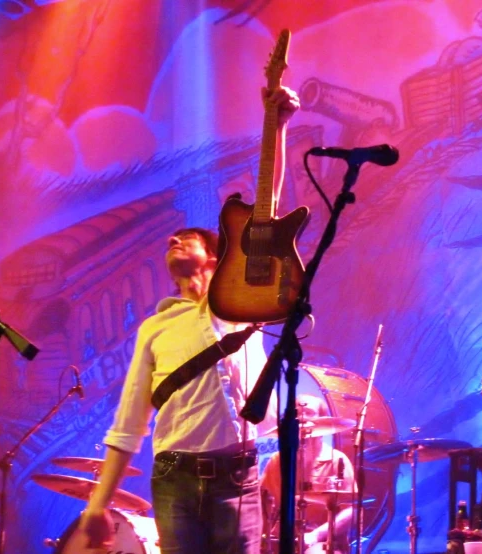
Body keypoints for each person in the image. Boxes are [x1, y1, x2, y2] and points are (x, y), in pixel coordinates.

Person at [79, 85, 300, 554]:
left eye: (186, 240)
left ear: (215, 257)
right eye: (169, 243)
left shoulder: (238, 303)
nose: (172, 244)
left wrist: (277, 125)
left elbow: (268, 211)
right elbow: (128, 423)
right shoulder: (155, 328)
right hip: (173, 478)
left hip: (236, 480)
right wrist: (98, 505)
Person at [260, 394, 356, 553]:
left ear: (324, 421)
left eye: (309, 412)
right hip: (282, 539)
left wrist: (315, 536)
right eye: (296, 413)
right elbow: (262, 502)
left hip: (322, 541)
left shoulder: (338, 460)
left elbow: (351, 511)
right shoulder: (277, 460)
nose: (301, 417)